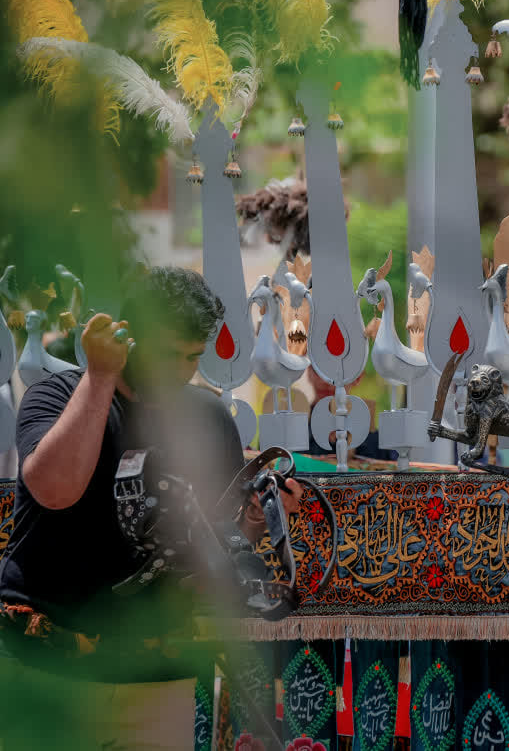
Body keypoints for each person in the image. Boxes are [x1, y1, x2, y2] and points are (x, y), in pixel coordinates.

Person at [0, 266, 300, 750]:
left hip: (158, 676)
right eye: (167, 354)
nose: (180, 371)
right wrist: (101, 377)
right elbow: (55, 491)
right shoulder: (55, 396)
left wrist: (252, 520)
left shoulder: (206, 419)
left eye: (192, 357)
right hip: (50, 667)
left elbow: (207, 560)